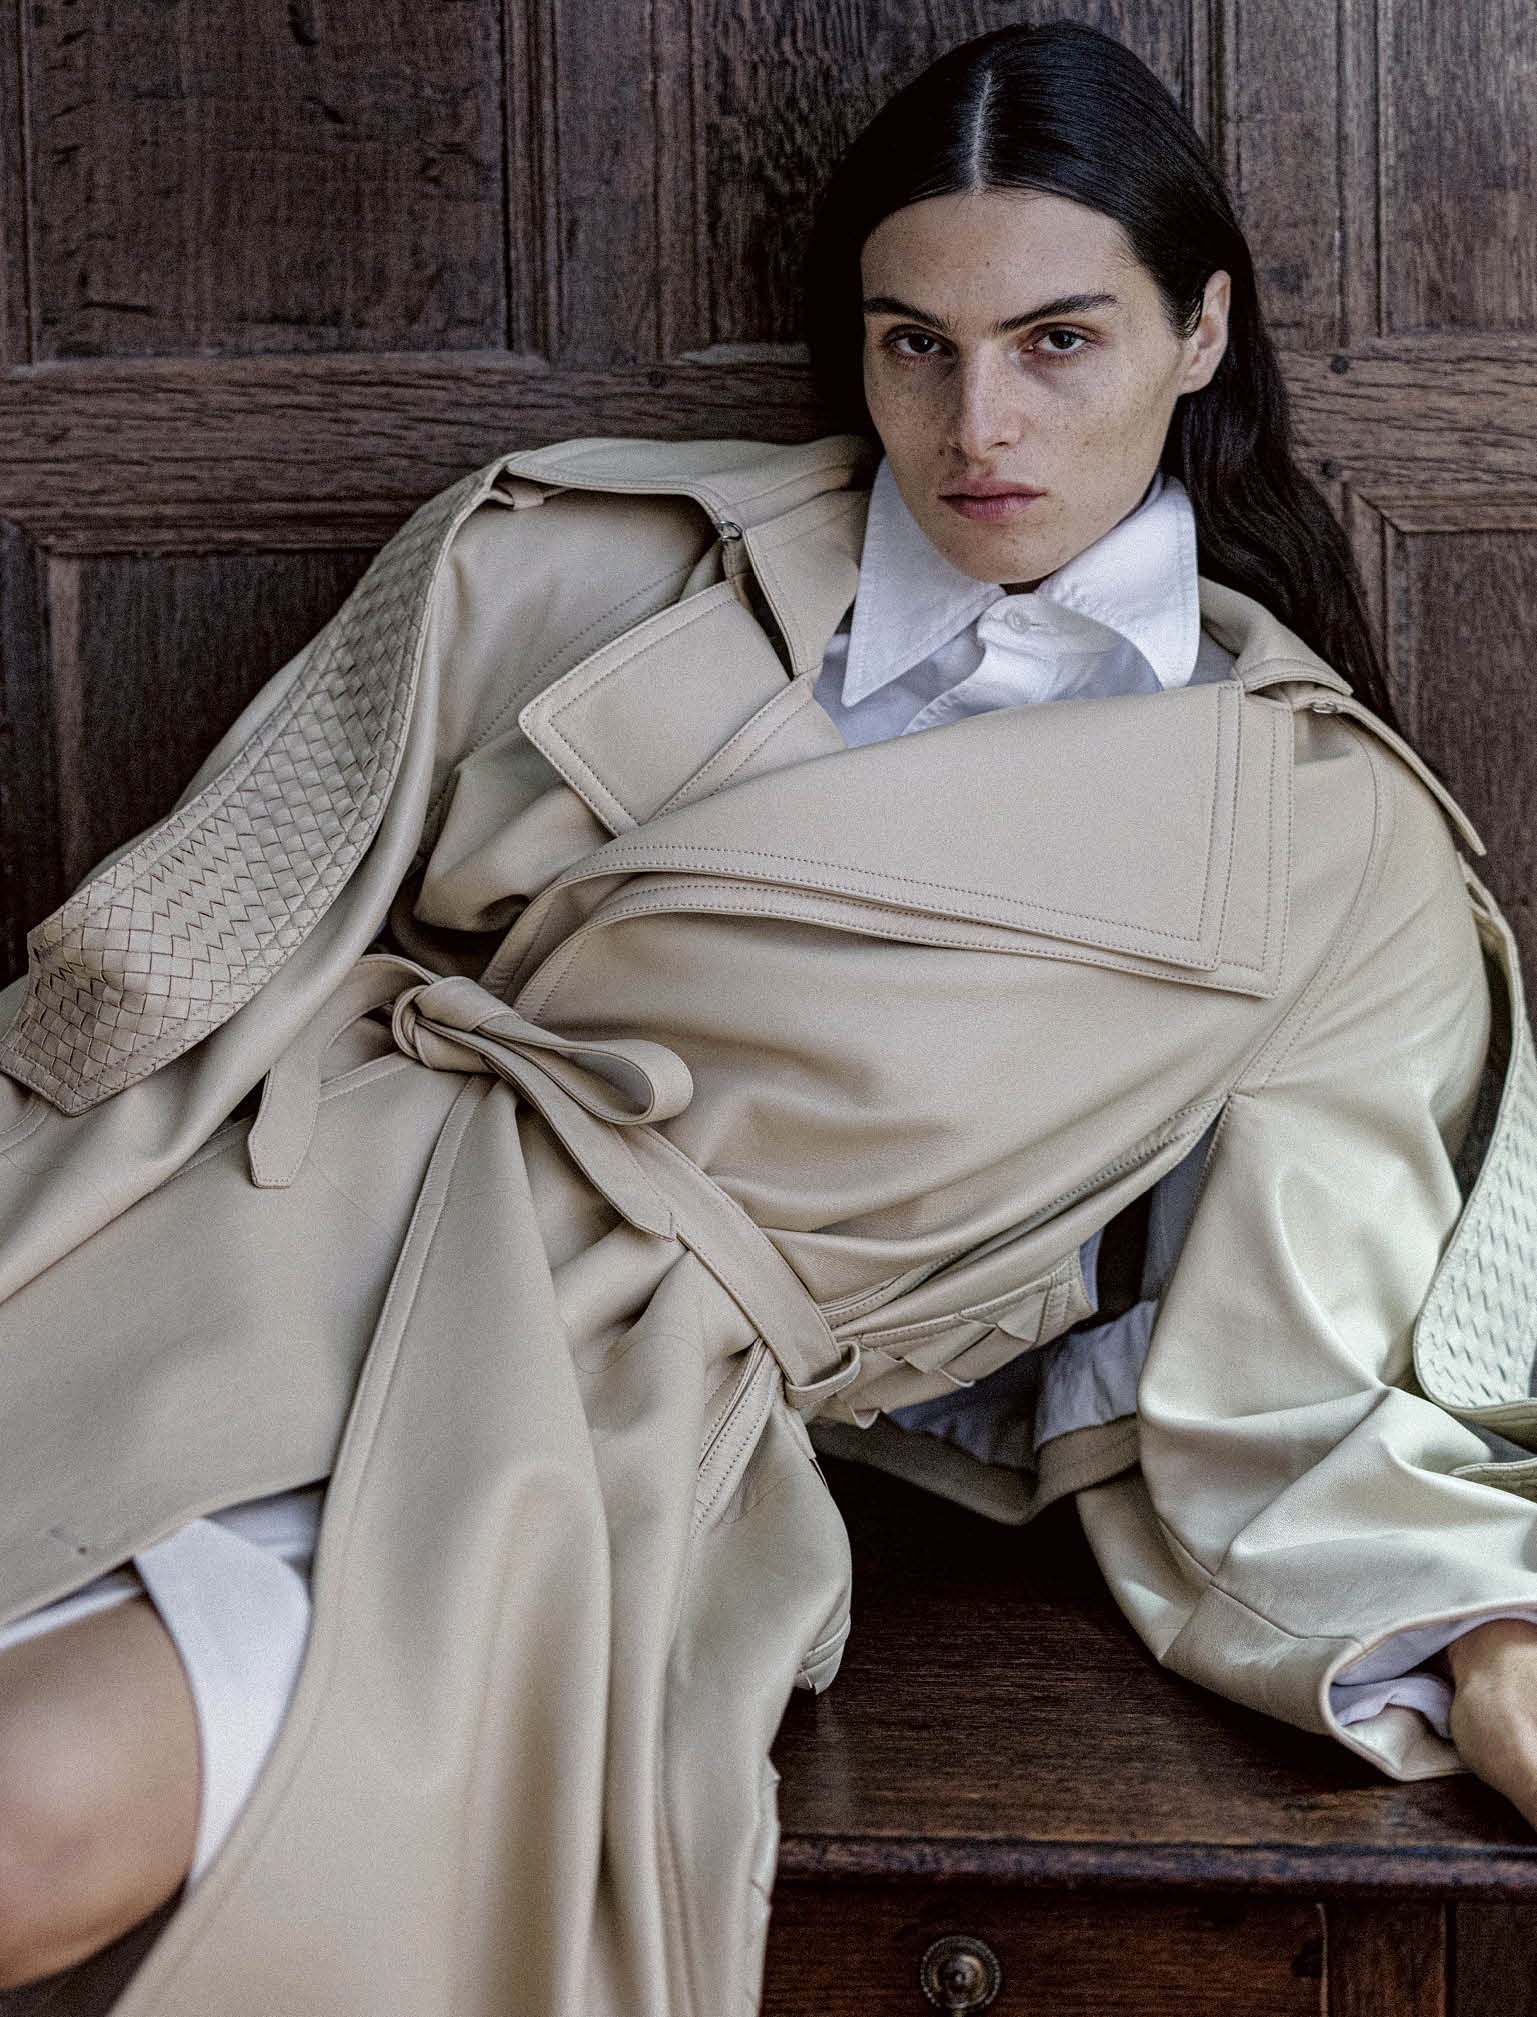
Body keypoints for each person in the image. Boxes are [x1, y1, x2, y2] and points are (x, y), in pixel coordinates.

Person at [1, 19, 1536, 2012]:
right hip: (213, 1240)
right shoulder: (579, 561)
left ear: (1201, 332)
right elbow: (174, 964)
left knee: (34, 1826)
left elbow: (1280, 1384)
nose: (977, 422)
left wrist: (1480, 1643)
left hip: (580, 1412)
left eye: (1057, 342)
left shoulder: (1329, 845)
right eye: (915, 344)